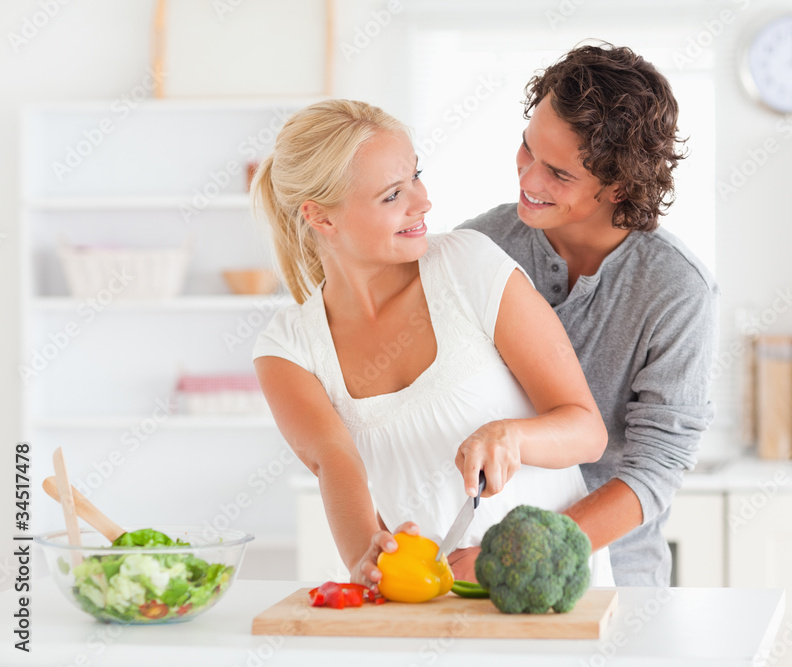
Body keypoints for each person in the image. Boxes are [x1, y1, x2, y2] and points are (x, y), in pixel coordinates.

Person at [249, 99, 615, 588]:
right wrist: (368, 561)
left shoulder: (469, 266)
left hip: (552, 591)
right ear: (321, 218)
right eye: (391, 195)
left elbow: (588, 432)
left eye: (416, 176)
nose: (422, 202)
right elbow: (336, 464)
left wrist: (513, 435)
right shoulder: (288, 349)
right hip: (428, 604)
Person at [457, 43, 719, 586]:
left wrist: (518, 556)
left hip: (612, 576)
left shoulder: (675, 289)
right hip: (467, 561)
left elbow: (654, 469)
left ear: (619, 184)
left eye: (558, 173)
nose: (527, 179)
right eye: (527, 150)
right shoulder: (481, 245)